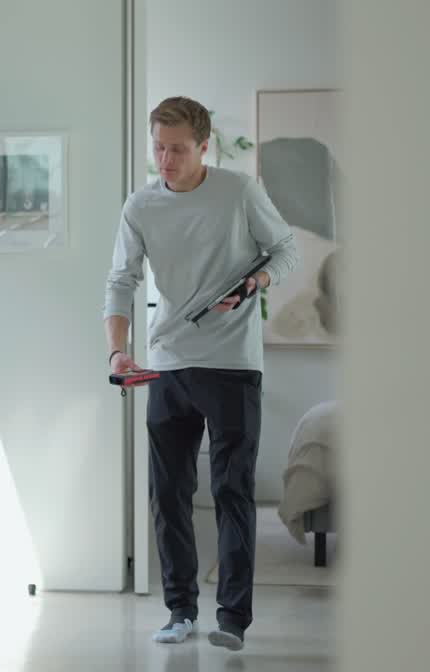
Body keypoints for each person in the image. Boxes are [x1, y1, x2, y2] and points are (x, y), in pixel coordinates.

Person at [103, 97, 299, 652]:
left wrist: (254, 284)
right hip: (168, 362)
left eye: (178, 150)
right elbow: (120, 281)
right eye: (158, 149)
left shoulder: (239, 193)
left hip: (233, 363)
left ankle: (232, 618)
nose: (166, 161)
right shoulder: (141, 206)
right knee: (168, 494)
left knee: (232, 490)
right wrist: (117, 352)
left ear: (204, 147)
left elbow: (285, 251)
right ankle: (180, 610)